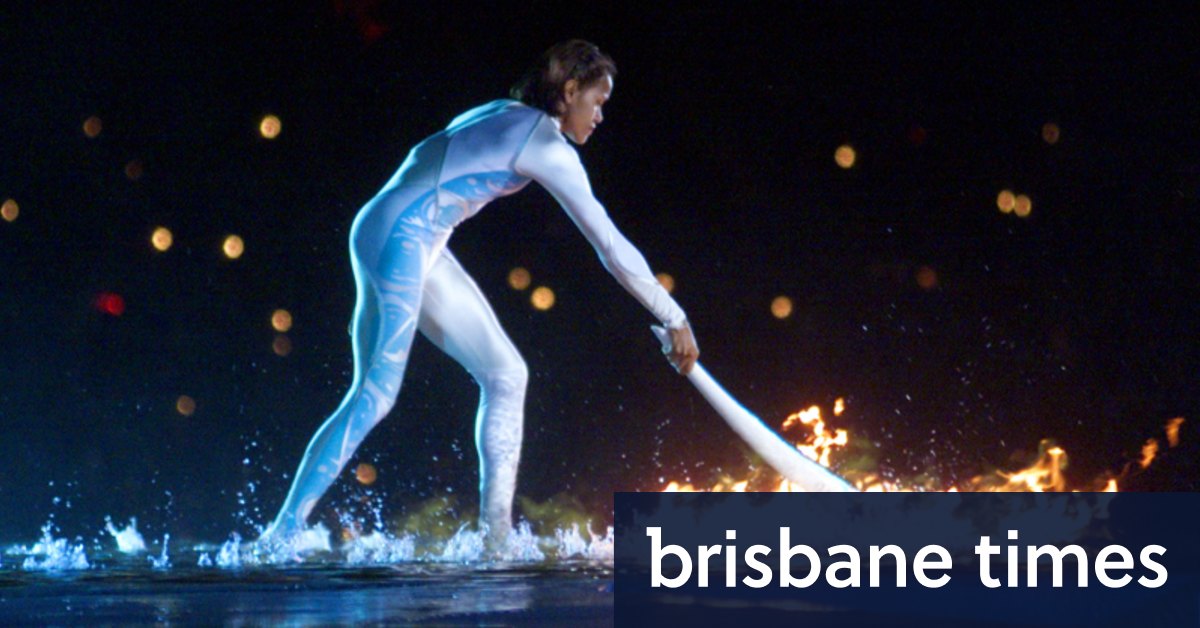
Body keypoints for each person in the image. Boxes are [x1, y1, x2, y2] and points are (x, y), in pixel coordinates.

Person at [260, 40, 699, 548]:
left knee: (507, 375)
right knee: (375, 393)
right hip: (401, 235)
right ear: (569, 90)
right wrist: (674, 317)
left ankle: (497, 542)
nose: (601, 116)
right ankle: (280, 534)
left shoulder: (503, 111)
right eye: (597, 101)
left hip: (407, 235)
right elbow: (610, 245)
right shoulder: (545, 144)